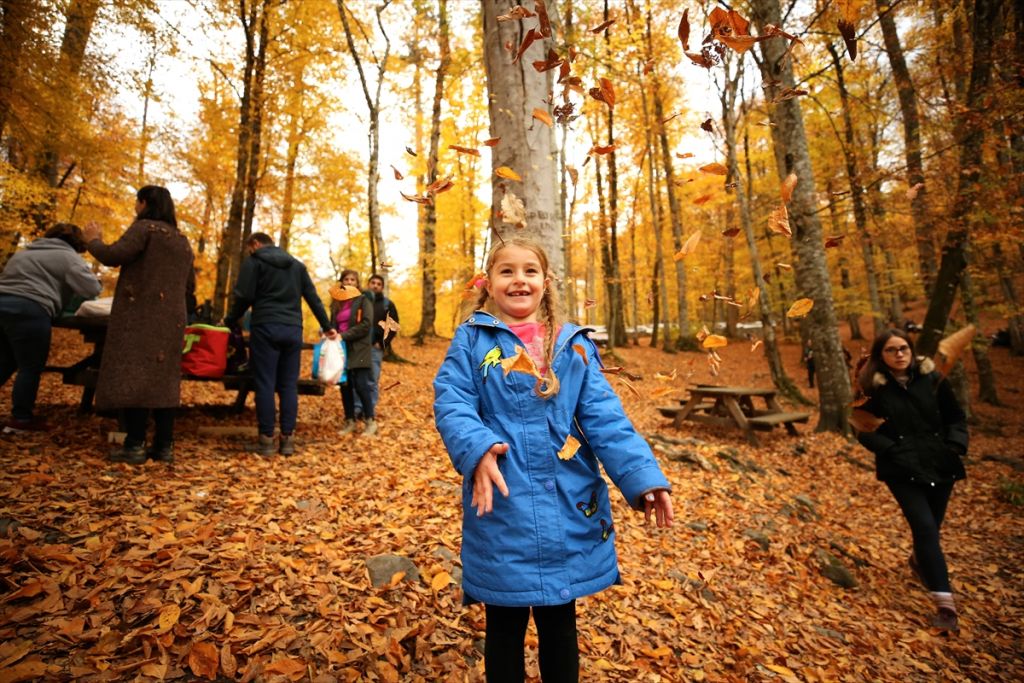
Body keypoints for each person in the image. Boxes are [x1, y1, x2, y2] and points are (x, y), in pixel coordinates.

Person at [433, 237, 673, 682]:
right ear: (488, 283)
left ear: (546, 281)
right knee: (504, 623)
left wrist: (643, 477)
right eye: (507, 271)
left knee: (560, 623)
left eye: (530, 271)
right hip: (503, 504)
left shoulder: (572, 344)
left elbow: (605, 417)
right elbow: (453, 401)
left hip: (569, 503)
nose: (519, 279)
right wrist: (477, 447)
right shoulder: (471, 339)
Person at [854, 328, 968, 632]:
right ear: (881, 355)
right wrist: (891, 450)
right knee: (925, 526)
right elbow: (863, 428)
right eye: (891, 350)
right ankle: (946, 607)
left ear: (911, 349)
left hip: (939, 464)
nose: (899, 354)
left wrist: (954, 445)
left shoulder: (933, 379)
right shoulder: (871, 387)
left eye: (903, 348)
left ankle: (920, 560)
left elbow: (956, 416)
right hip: (901, 469)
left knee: (932, 527)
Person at [84, 186, 195, 464]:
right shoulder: (182, 240)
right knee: (164, 380)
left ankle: (134, 444)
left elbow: (113, 256)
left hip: (141, 317)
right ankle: (164, 446)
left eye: (137, 201)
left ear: (144, 203)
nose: (135, 206)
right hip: (172, 318)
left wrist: (93, 241)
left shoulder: (145, 229)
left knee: (135, 375)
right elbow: (189, 285)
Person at [224, 232, 336, 457]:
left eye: (249, 248)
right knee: (287, 385)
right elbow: (313, 297)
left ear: (255, 244)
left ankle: (266, 441)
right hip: (293, 329)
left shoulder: (254, 262)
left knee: (265, 383)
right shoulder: (296, 266)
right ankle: (287, 440)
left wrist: (229, 320)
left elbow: (243, 296)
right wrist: (327, 325)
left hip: (265, 327)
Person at [0, 223, 102, 433]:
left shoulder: (23, 253)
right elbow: (92, 288)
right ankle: (21, 419)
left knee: (5, 361)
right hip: (30, 310)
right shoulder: (68, 257)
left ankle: (21, 416)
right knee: (30, 367)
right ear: (76, 244)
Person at [329, 269, 375, 436]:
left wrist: (343, 335)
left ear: (357, 283)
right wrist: (329, 332)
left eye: (352, 280)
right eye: (346, 279)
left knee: (361, 385)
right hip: (341, 350)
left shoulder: (363, 300)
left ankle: (370, 421)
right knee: (345, 386)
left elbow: (366, 324)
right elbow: (332, 324)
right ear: (341, 282)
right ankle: (350, 421)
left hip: (359, 349)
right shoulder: (337, 303)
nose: (349, 282)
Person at [360, 273, 399, 414]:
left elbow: (393, 327)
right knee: (357, 380)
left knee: (371, 380)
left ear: (382, 287)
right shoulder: (360, 301)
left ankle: (369, 410)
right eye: (373, 283)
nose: (375, 285)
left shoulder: (387, 304)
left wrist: (382, 343)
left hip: (375, 348)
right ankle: (357, 408)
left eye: (378, 284)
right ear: (368, 284)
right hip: (358, 347)